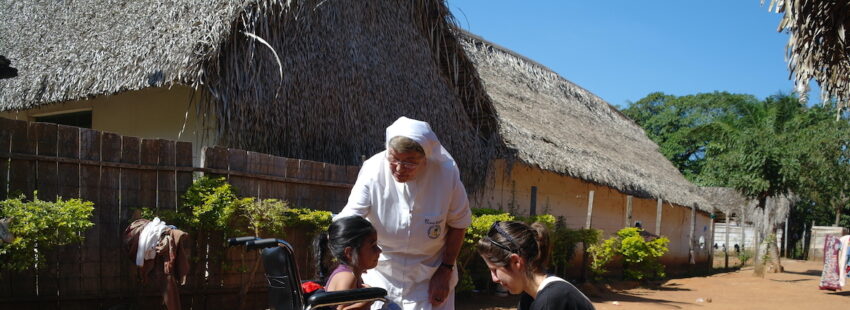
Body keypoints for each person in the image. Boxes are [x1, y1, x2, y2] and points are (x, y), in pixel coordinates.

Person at [335, 116, 471, 310]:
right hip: (381, 273)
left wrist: (446, 269)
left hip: (431, 275)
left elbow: (459, 223)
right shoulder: (373, 169)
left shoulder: (446, 173)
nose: (399, 169)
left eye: (410, 162)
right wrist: (349, 272)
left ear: (426, 159)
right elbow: (350, 219)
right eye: (394, 159)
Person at [477, 221, 594, 310]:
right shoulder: (529, 297)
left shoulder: (551, 300)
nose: (494, 279)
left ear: (516, 262)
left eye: (495, 270)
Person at [314, 215, 382, 310]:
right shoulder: (347, 277)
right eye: (373, 245)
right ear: (349, 253)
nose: (379, 250)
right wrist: (369, 300)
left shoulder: (352, 275)